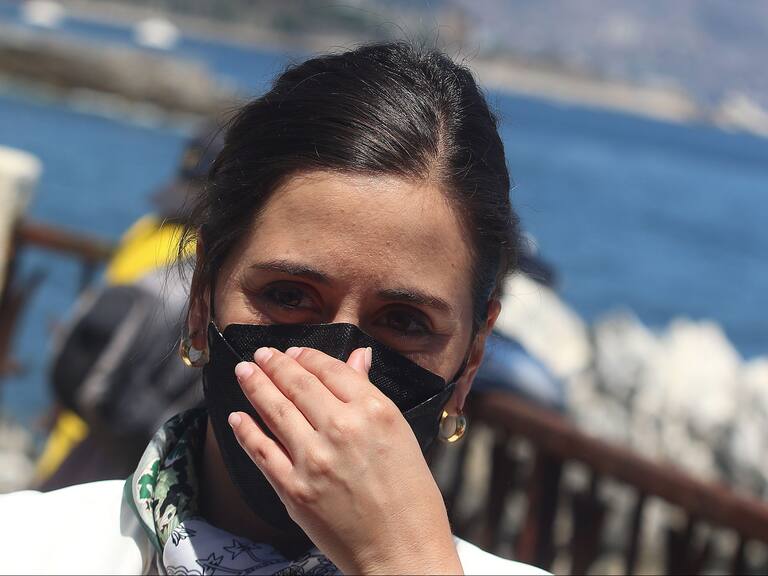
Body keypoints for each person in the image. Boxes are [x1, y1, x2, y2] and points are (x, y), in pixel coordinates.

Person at [0, 42, 549, 575]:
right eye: (288, 295)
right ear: (201, 299)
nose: (337, 370)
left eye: (404, 322)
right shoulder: (25, 547)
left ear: (470, 361)